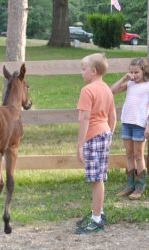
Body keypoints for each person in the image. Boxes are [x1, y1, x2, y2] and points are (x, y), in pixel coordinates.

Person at [75, 53, 116, 234]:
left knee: (96, 179)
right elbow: (113, 116)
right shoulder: (107, 88)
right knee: (98, 177)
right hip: (104, 133)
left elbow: (84, 119)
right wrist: (109, 133)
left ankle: (97, 219)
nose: (81, 73)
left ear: (93, 71)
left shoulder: (87, 90)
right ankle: (98, 212)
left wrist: (80, 145)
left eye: (84, 69)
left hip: (93, 136)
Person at [111, 58, 149, 199]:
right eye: (131, 72)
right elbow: (112, 90)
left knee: (138, 155)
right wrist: (124, 78)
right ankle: (130, 185)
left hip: (140, 124)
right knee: (129, 154)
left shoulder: (148, 86)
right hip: (127, 122)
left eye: (136, 72)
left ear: (143, 71)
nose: (134, 75)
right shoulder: (130, 84)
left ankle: (140, 187)